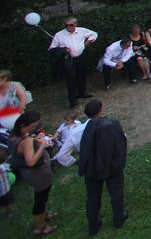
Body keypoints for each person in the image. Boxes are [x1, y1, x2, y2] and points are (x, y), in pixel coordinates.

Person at [78, 99, 128, 235]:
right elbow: (120, 143)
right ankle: (118, 218)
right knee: (116, 192)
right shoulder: (111, 124)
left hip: (91, 167)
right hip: (110, 166)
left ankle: (93, 225)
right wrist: (120, 161)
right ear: (100, 110)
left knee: (93, 196)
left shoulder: (81, 128)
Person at [8, 112, 56, 235]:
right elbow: (30, 161)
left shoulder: (13, 136)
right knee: (40, 199)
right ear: (23, 125)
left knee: (41, 196)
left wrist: (35, 138)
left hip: (29, 174)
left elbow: (21, 151)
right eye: (32, 126)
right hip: (38, 174)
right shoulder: (27, 141)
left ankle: (44, 214)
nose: (34, 128)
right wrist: (42, 146)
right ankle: (41, 227)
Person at [49, 16, 98, 107]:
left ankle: (82, 93)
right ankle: (73, 101)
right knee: (71, 80)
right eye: (66, 25)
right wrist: (63, 50)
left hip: (80, 57)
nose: (68, 27)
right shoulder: (59, 35)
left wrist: (88, 42)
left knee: (81, 75)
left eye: (71, 25)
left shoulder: (82, 30)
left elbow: (94, 34)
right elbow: (52, 49)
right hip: (68, 59)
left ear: (75, 24)